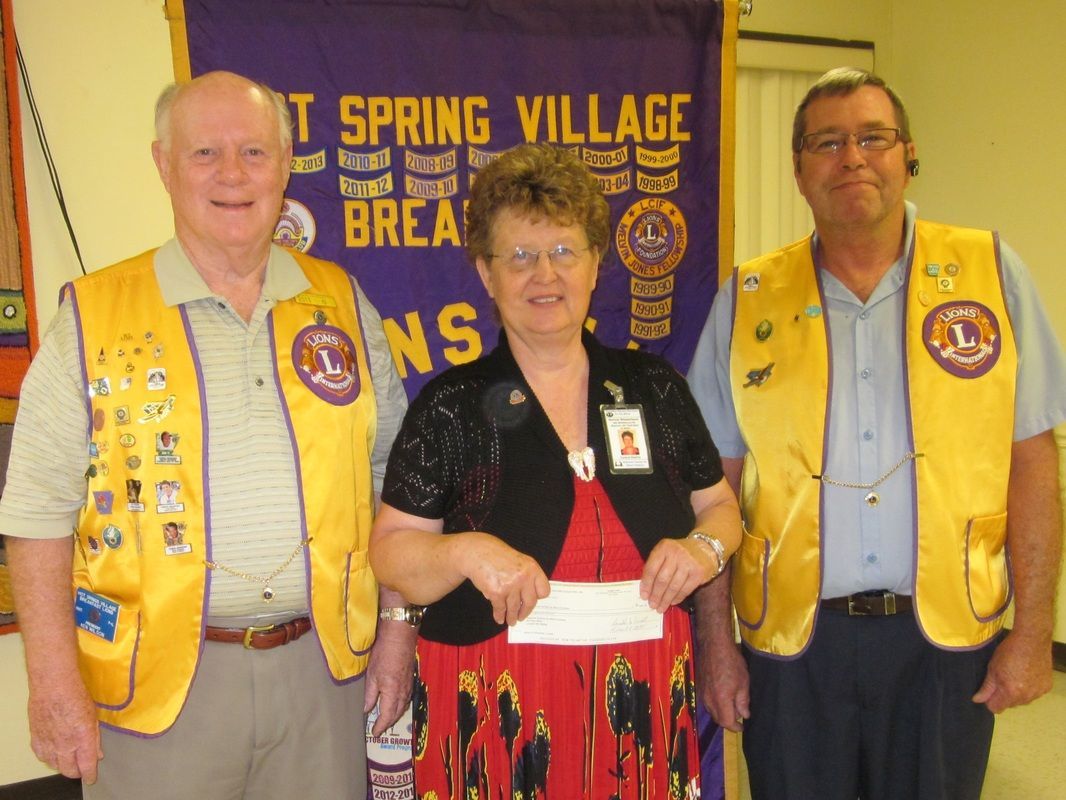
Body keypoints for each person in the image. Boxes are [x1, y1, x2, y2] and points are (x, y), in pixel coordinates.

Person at [0, 71, 415, 799]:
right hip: (156, 692)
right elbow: (35, 510)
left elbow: (401, 489)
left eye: (255, 152)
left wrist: (399, 630)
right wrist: (53, 681)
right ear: (162, 164)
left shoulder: (342, 305)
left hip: (322, 674)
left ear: (287, 166)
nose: (232, 174)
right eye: (204, 154)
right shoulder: (93, 317)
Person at [687, 67, 1066, 800]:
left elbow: (1033, 466)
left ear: (907, 154)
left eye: (872, 138)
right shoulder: (748, 300)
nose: (851, 157)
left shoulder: (991, 276)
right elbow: (716, 490)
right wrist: (716, 647)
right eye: (826, 143)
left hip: (946, 636)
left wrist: (1032, 634)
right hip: (792, 645)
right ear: (799, 171)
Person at [369, 143, 742, 799]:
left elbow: (723, 509)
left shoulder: (653, 387)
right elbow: (393, 552)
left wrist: (702, 549)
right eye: (519, 256)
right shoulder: (452, 407)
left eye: (564, 251)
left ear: (596, 263)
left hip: (642, 703)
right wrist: (466, 550)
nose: (545, 274)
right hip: (496, 707)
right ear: (486, 274)